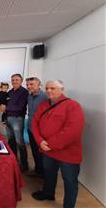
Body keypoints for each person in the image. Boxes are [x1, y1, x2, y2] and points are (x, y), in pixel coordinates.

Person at [31, 80, 85, 208]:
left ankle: (68, 205)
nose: (49, 91)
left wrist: (49, 144)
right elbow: (34, 123)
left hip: (67, 153)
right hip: (47, 151)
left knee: (70, 181)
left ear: (62, 89)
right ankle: (48, 193)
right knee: (49, 174)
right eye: (47, 88)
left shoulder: (73, 106)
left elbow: (73, 131)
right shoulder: (43, 105)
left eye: (53, 88)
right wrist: (40, 141)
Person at [4, 73, 29, 172]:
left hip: (17, 119)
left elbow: (20, 107)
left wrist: (6, 108)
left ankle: (24, 165)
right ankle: (13, 161)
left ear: (21, 81)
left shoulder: (24, 92)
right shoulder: (10, 92)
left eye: (16, 80)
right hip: (8, 118)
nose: (14, 81)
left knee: (20, 142)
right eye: (13, 80)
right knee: (11, 141)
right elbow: (5, 104)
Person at [26, 77, 47, 177]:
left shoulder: (45, 97)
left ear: (39, 85)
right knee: (34, 151)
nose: (29, 86)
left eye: (32, 84)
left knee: (41, 152)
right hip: (30, 127)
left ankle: (43, 174)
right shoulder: (29, 96)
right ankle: (38, 170)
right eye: (28, 84)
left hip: (40, 130)